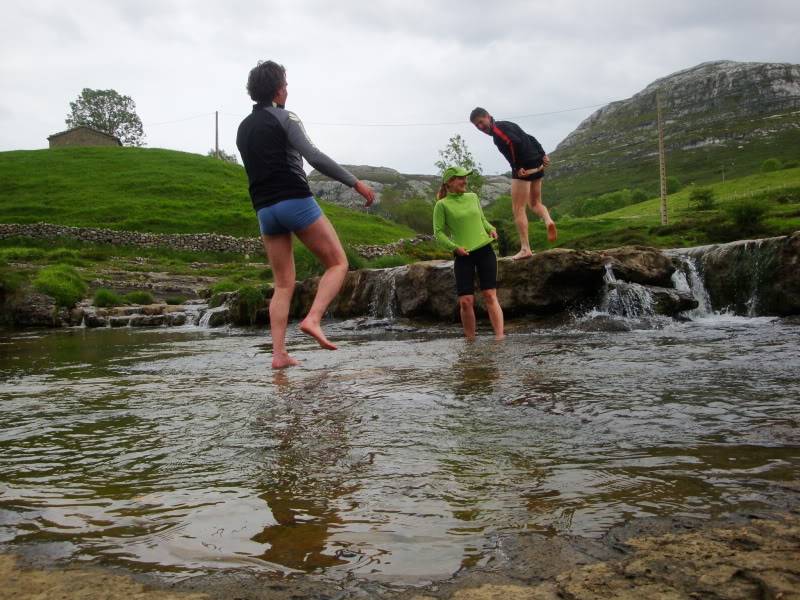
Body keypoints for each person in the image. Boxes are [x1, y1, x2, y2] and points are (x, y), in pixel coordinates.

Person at [236, 60, 375, 369]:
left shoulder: (242, 128)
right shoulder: (286, 117)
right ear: (277, 90)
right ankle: (313, 319)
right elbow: (314, 157)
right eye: (285, 84)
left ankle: (279, 354)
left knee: (283, 284)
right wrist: (355, 182)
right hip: (294, 199)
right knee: (338, 263)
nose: (287, 89)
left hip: (264, 210)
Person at [470, 107, 557, 260]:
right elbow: (529, 137)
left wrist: (517, 167)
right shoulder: (507, 124)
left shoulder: (497, 132)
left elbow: (513, 142)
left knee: (518, 208)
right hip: (537, 164)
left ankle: (525, 248)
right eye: (476, 126)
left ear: (488, 117)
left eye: (481, 122)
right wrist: (543, 153)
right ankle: (548, 220)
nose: (480, 127)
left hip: (524, 168)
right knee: (535, 203)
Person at [433, 166, 504, 341]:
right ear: (449, 182)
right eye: (460, 178)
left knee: (489, 295)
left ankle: (500, 338)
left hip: (485, 250)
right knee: (466, 301)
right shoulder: (441, 205)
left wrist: (491, 229)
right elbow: (438, 232)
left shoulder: (473, 197)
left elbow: (482, 219)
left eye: (465, 178)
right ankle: (470, 341)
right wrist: (454, 247)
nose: (465, 181)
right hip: (463, 255)